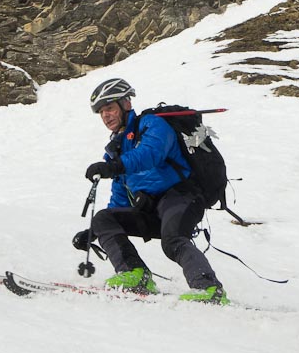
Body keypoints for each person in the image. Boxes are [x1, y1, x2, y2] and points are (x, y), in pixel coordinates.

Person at [73, 77, 228, 304]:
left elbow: (149, 154)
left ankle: (209, 289)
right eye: (101, 112)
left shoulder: (152, 124)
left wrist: (113, 166)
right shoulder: (116, 148)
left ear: (126, 105)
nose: (105, 116)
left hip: (182, 197)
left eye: (109, 108)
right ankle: (136, 276)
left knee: (173, 240)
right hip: (150, 209)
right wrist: (94, 232)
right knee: (104, 218)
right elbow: (119, 198)